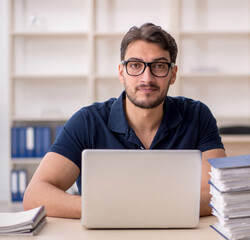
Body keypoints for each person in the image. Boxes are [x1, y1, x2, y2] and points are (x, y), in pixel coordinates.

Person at [23, 23, 226, 219]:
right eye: (135, 65)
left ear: (172, 74)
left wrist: (137, 208)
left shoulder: (198, 116)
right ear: (121, 72)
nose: (147, 78)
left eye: (159, 66)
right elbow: (35, 195)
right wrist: (104, 209)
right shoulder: (87, 121)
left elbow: (216, 193)